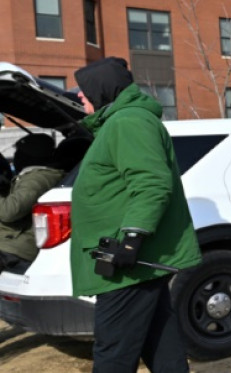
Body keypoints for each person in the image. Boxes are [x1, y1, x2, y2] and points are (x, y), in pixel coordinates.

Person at [69, 57, 202, 372]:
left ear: (104, 90)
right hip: (133, 259)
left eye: (83, 88)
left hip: (128, 261)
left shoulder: (128, 121)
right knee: (161, 345)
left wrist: (131, 240)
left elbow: (152, 183)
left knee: (113, 351)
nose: (77, 94)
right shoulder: (120, 121)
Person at [0, 134, 65, 274]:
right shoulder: (32, 177)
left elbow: (9, 211)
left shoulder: (37, 178)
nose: (15, 157)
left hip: (13, 248)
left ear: (27, 156)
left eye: (18, 153)